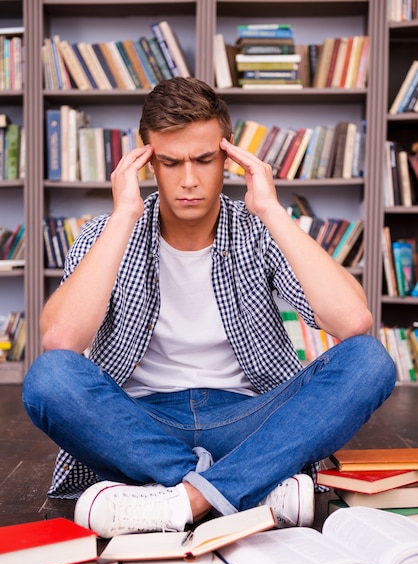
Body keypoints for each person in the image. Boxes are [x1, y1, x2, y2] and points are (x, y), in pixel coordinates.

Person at [22, 77, 396, 539]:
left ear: (229, 157)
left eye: (204, 159)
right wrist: (122, 217)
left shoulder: (260, 230)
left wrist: (273, 211)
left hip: (249, 420)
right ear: (146, 163)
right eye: (170, 162)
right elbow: (61, 342)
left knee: (370, 360)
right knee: (49, 377)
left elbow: (352, 321)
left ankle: (186, 498)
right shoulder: (107, 231)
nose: (189, 180)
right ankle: (251, 489)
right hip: (140, 425)